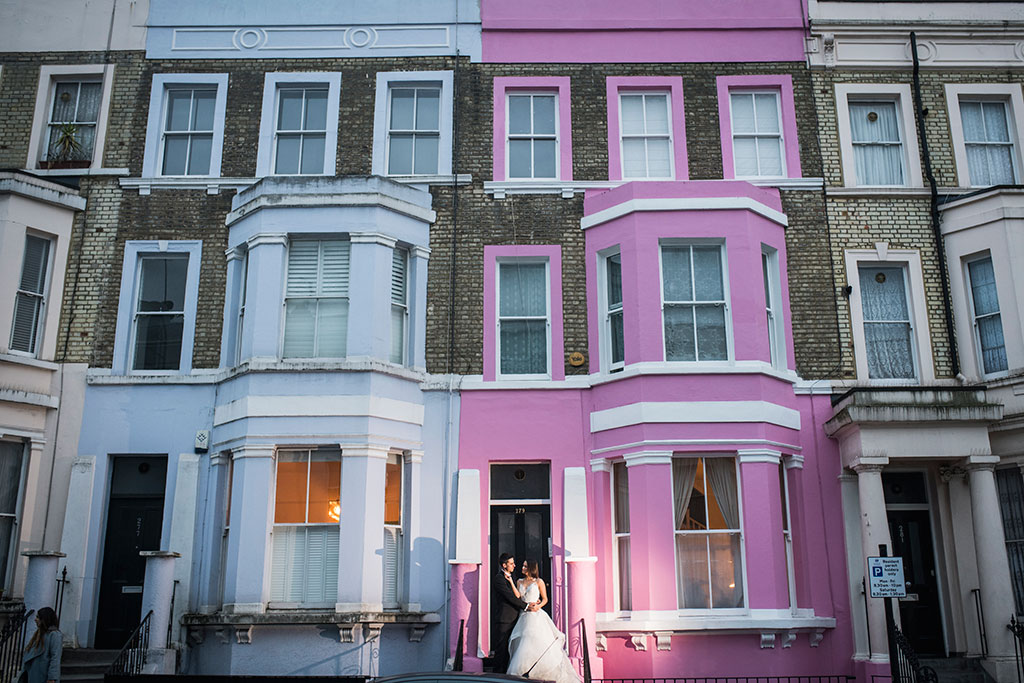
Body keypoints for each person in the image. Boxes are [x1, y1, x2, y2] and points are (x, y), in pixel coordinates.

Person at [506, 560, 581, 683]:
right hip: (524, 615)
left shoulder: (539, 582)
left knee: (535, 640)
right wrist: (511, 582)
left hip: (535, 615)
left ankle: (539, 672)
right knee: (523, 641)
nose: (523, 567)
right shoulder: (519, 581)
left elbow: (545, 599)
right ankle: (522, 672)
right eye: (523, 565)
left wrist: (538, 606)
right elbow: (518, 596)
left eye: (525, 565)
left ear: (531, 568)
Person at [492, 553, 535, 673]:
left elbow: (518, 595)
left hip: (516, 618)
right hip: (504, 619)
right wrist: (526, 606)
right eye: (511, 563)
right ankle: (497, 677)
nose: (514, 565)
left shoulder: (513, 577)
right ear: (504, 565)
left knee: (512, 649)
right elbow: (510, 597)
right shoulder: (499, 579)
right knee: (501, 650)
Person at [20, 607, 62, 683]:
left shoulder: (55, 635)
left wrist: (52, 678)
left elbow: (55, 657)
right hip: (33, 674)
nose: (35, 619)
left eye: (38, 617)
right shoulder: (39, 633)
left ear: (45, 619)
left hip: (43, 676)